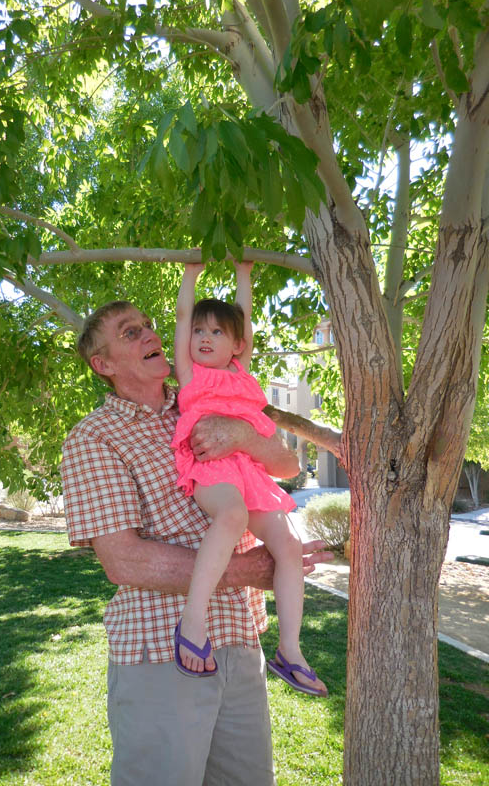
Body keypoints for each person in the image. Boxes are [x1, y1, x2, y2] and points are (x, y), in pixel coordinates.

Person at [61, 296, 332, 786]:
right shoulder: (94, 438)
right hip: (159, 649)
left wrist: (244, 437)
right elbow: (124, 561)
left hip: (241, 642)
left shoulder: (198, 397)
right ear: (102, 365)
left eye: (148, 323)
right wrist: (246, 571)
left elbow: (288, 466)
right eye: (129, 332)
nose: (150, 334)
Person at [171, 263, 327, 699]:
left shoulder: (242, 371)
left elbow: (245, 318)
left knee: (289, 544)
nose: (203, 337)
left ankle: (290, 650)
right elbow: (182, 318)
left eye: (216, 333)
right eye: (200, 331)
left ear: (236, 344)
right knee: (233, 515)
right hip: (212, 467)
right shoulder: (190, 373)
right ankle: (193, 619)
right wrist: (190, 276)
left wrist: (244, 273)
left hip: (251, 470)